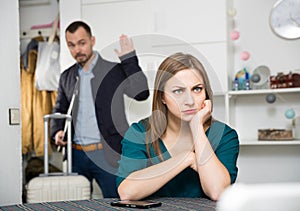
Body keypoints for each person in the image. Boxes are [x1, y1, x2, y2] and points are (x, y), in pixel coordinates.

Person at [116, 52, 239, 201]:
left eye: (197, 89)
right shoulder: (140, 132)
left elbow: (217, 192)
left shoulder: (224, 135)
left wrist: (197, 128)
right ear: (162, 97)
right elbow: (127, 192)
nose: (190, 100)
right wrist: (186, 158)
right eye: (178, 91)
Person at [50, 21, 149, 198]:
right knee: (76, 205)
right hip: (77, 156)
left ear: (92, 40)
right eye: (71, 45)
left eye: (82, 43)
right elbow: (60, 109)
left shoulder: (113, 70)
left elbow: (141, 94)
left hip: (108, 153)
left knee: (116, 202)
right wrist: (57, 130)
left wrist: (129, 60)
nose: (77, 50)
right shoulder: (66, 76)